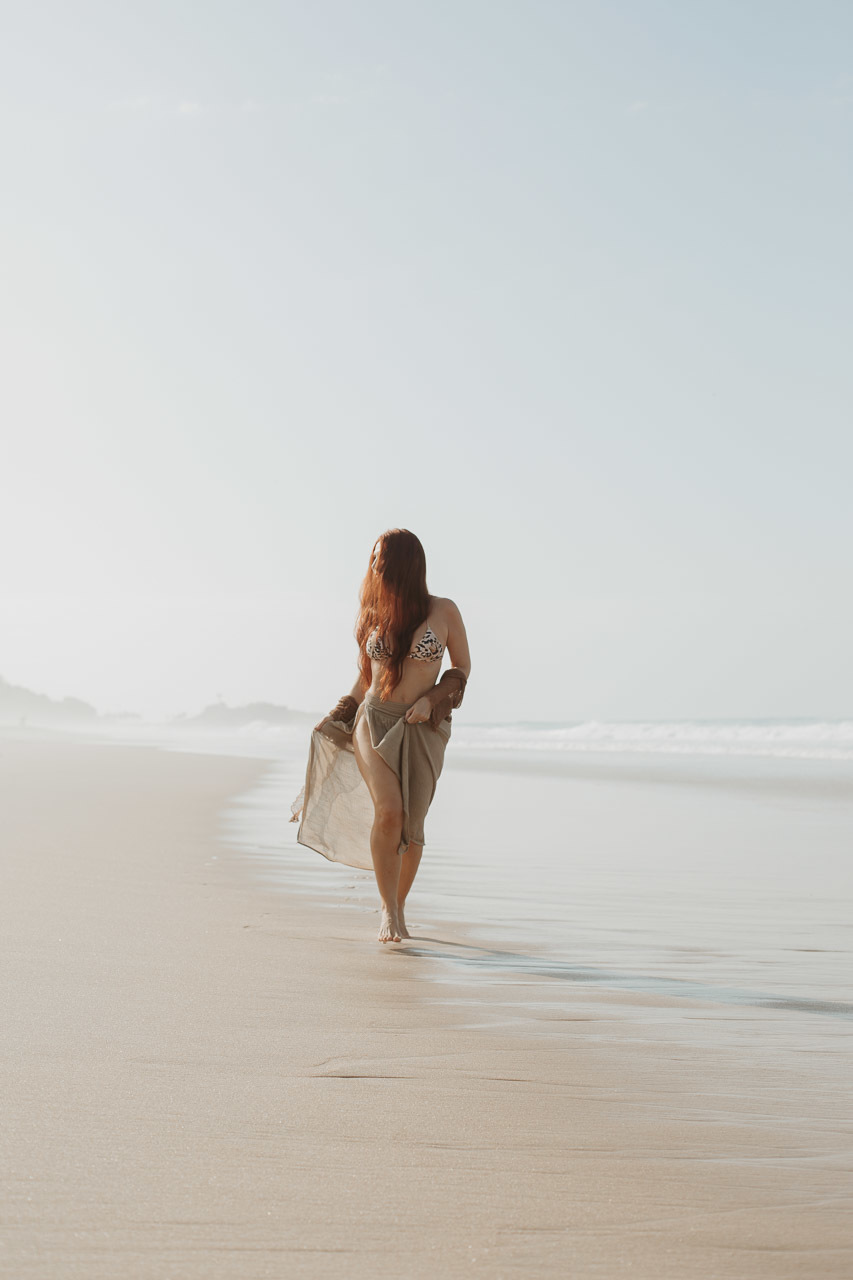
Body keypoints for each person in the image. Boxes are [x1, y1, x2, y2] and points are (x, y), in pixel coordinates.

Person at [291, 528, 472, 943]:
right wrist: (339, 712)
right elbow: (364, 677)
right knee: (389, 810)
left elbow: (460, 669)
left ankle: (400, 903)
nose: (374, 566)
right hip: (374, 719)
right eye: (373, 559)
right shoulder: (374, 615)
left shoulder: (443, 611)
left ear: (404, 564)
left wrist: (433, 699)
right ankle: (388, 912)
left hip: (424, 727)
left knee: (412, 823)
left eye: (381, 559)